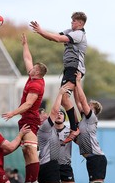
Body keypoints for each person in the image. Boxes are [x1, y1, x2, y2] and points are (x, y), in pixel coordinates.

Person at [29, 11, 87, 144]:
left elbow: (58, 39)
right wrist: (41, 32)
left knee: (65, 97)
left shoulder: (78, 34)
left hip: (75, 69)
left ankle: (75, 128)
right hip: (68, 70)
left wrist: (40, 30)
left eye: (73, 21)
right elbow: (53, 37)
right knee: (63, 98)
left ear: (80, 23)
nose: (71, 22)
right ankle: (76, 126)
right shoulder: (70, 31)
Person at [2, 33, 47, 183]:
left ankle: (34, 181)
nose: (31, 69)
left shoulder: (36, 85)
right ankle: (29, 182)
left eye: (34, 69)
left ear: (39, 73)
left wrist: (13, 113)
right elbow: (28, 58)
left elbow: (28, 104)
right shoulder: (32, 75)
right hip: (25, 119)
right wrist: (25, 45)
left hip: (30, 119)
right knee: (25, 151)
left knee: (30, 149)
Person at [18, 85, 69, 183]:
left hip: (43, 164)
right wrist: (59, 93)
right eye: (42, 114)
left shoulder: (43, 129)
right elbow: (54, 111)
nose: (46, 115)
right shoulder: (45, 127)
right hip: (50, 163)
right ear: (39, 118)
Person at [74, 71, 114, 183]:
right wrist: (74, 86)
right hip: (91, 158)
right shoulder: (84, 120)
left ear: (93, 109)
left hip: (96, 158)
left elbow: (82, 100)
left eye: (89, 105)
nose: (86, 105)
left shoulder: (91, 117)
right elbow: (78, 101)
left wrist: (78, 81)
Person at [46, 107, 83, 183]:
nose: (59, 115)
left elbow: (80, 143)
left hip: (65, 166)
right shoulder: (47, 131)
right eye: (56, 113)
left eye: (61, 113)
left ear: (64, 117)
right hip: (51, 165)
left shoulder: (69, 131)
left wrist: (79, 134)